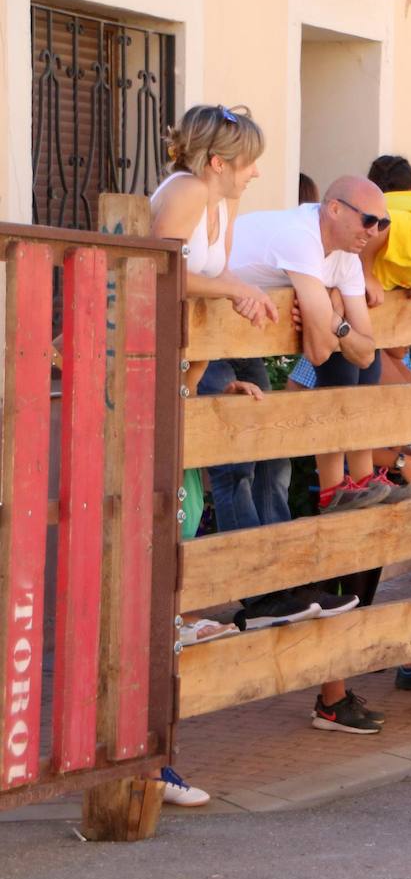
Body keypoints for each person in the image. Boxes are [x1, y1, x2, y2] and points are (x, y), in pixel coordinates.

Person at [229, 176, 394, 734]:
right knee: (245, 473)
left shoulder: (343, 260)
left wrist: (333, 320)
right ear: (332, 210)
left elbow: (360, 347)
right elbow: (321, 353)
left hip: (267, 363)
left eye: (383, 224)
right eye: (368, 221)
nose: (375, 233)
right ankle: (269, 580)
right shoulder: (302, 238)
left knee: (274, 466)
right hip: (223, 339)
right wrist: (327, 330)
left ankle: (344, 487)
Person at [150, 104, 277, 549]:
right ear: (217, 162)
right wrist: (233, 293)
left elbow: (217, 273)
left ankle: (173, 617)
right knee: (162, 502)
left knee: (185, 500)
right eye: (249, 161)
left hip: (185, 370)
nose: (256, 172)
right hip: (149, 363)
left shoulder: (224, 200)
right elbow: (161, 272)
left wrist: (246, 293)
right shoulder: (186, 191)